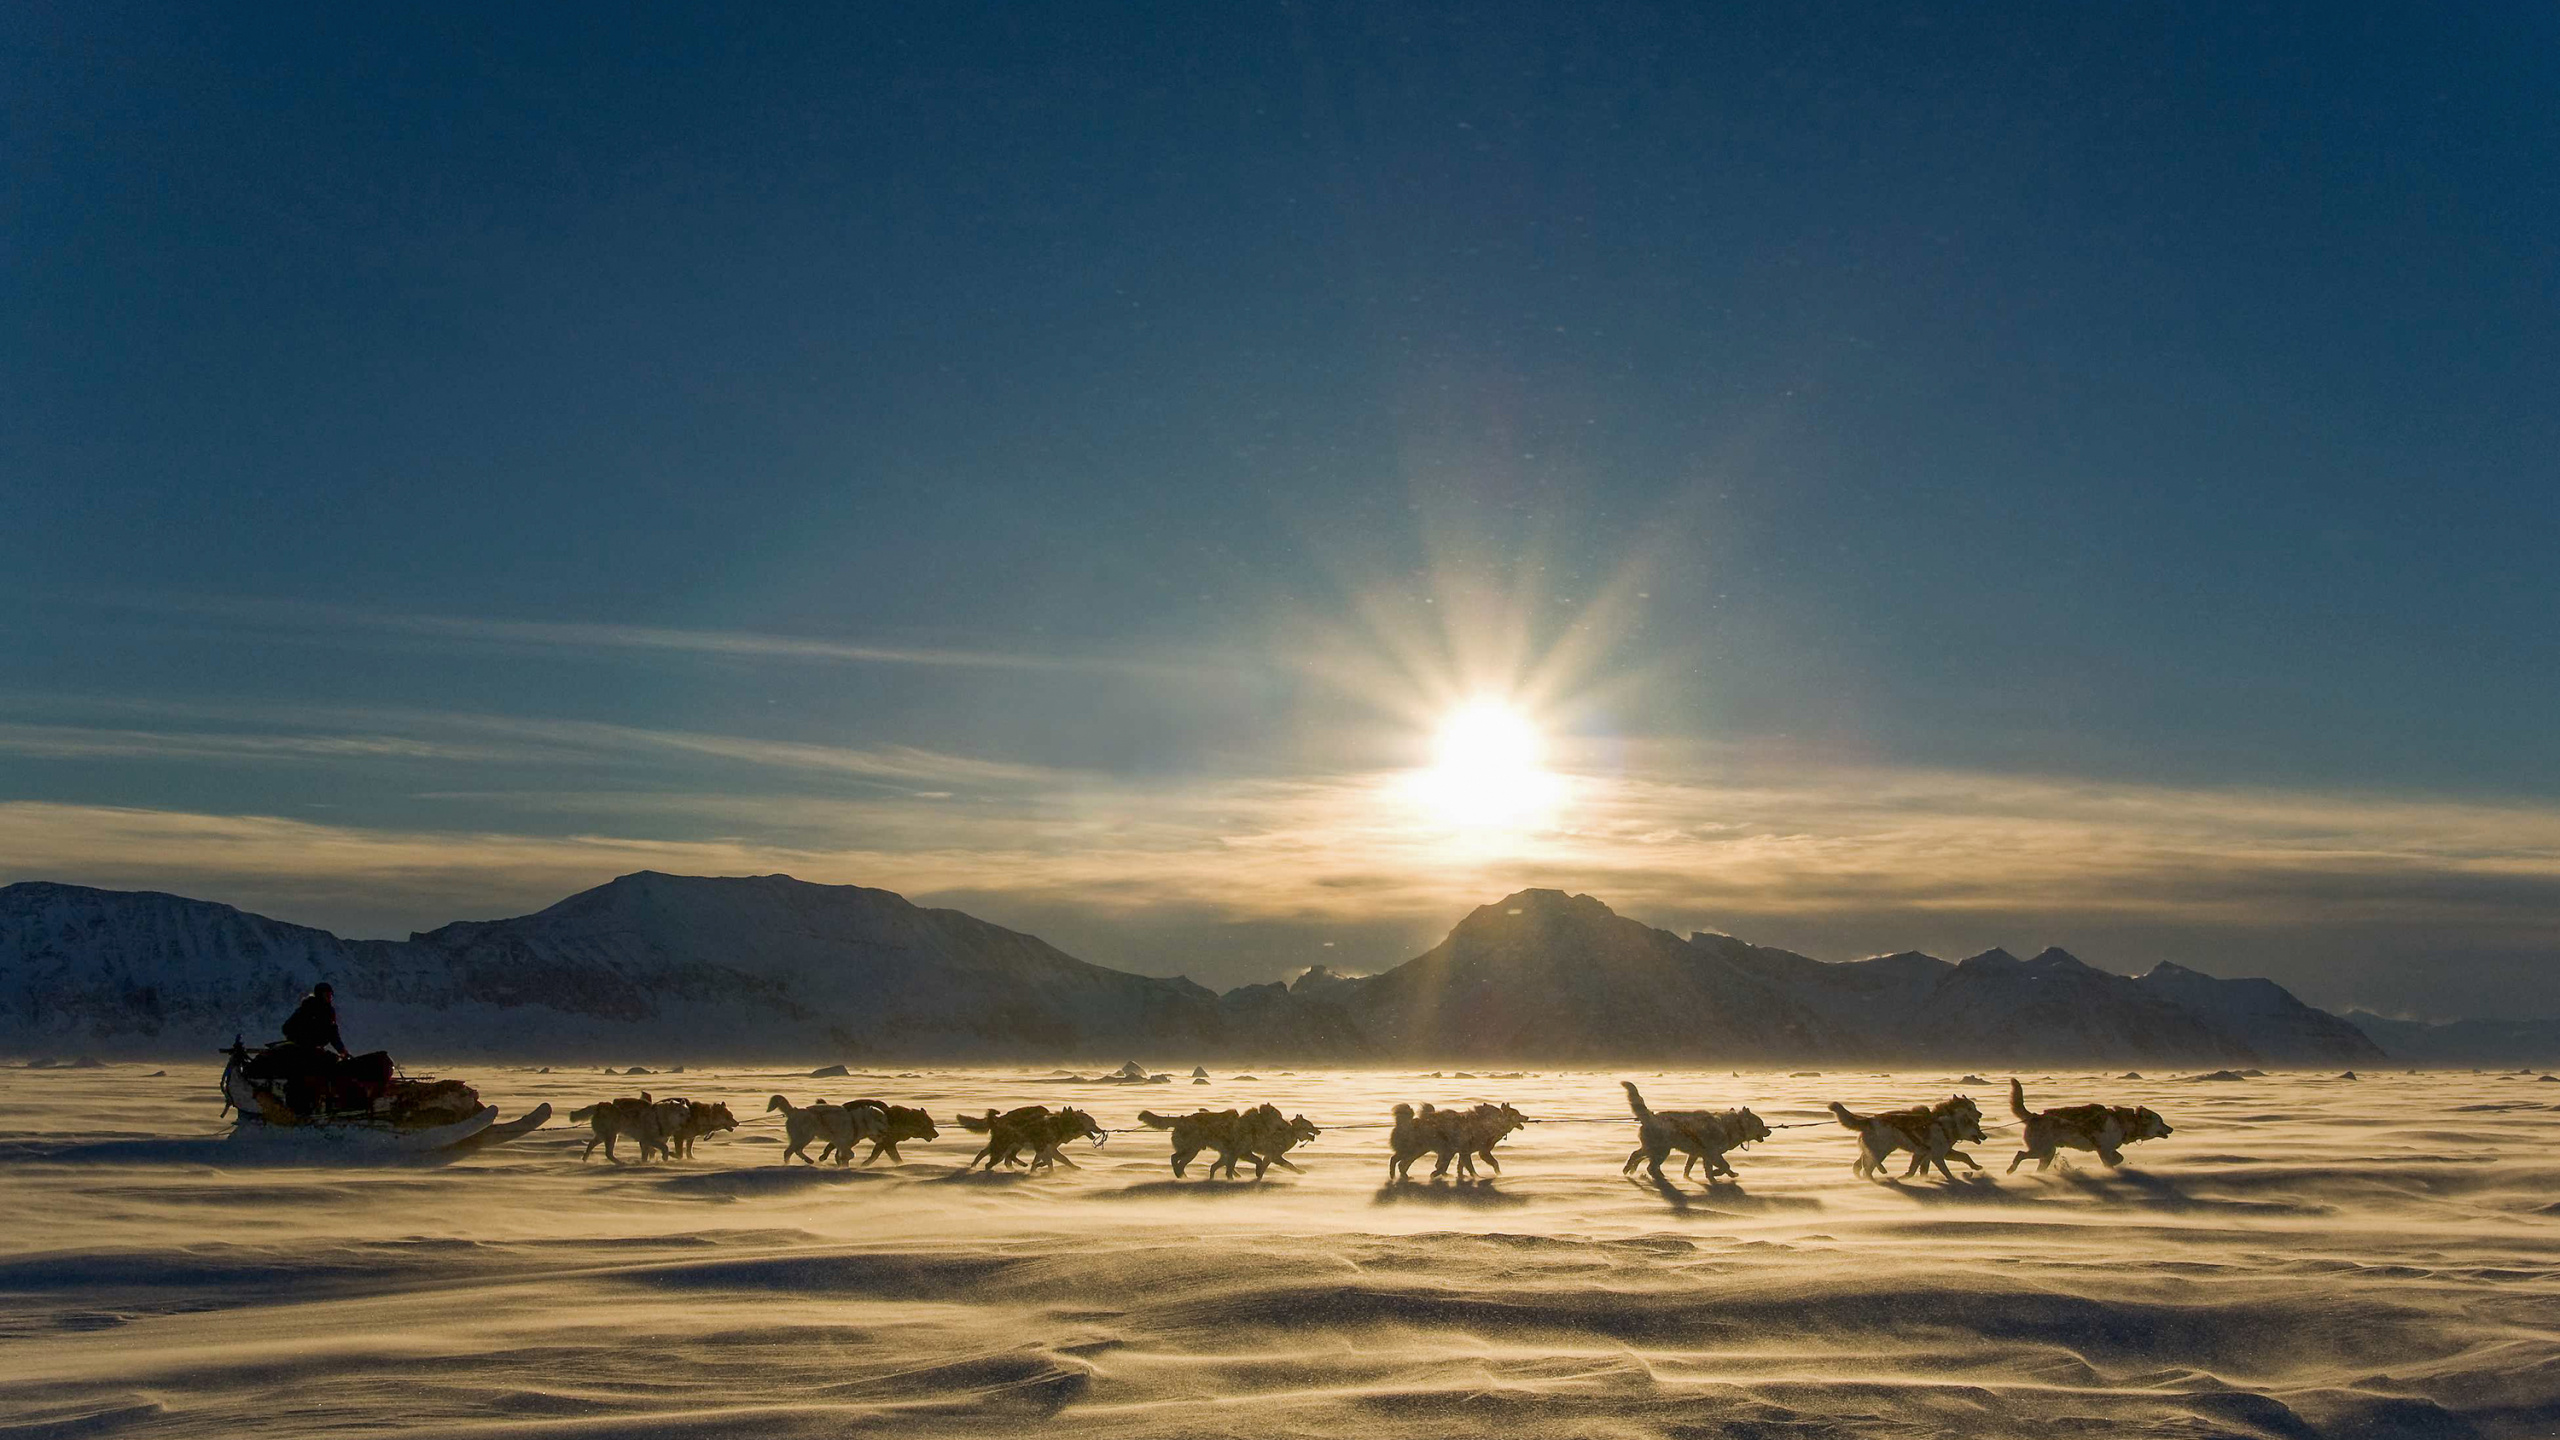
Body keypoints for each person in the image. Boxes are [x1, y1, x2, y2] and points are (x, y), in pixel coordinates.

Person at [281, 981, 349, 1056]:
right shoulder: (308, 1008)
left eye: (330, 995)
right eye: (326, 995)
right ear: (320, 995)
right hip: (303, 1049)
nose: (329, 997)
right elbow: (288, 1027)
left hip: (314, 1049)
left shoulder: (328, 1011)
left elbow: (332, 1033)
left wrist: (342, 1050)